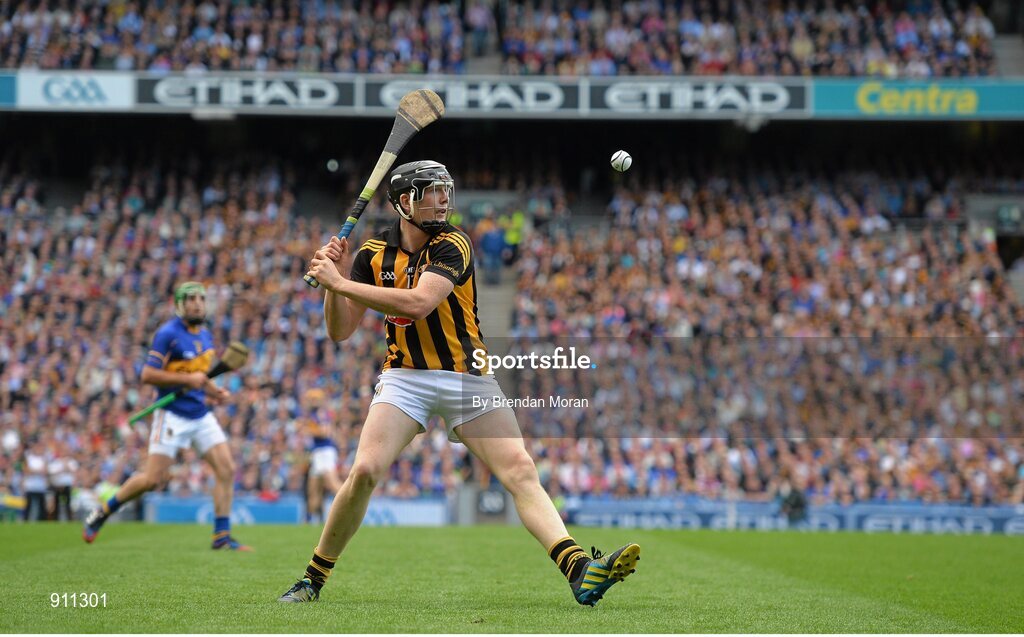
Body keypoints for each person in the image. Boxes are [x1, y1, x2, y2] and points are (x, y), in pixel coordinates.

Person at [280, 160, 639, 606]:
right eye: (432, 191)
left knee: (520, 470)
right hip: (405, 377)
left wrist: (341, 281)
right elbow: (339, 331)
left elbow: (417, 304)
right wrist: (336, 286)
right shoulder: (372, 255)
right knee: (365, 471)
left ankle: (579, 569)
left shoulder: (454, 244)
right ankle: (312, 579)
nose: (444, 198)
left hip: (468, 377)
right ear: (404, 201)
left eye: (446, 189)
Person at [82, 282, 250, 551]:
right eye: (190, 298)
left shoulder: (205, 336)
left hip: (200, 413)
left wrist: (214, 391)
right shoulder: (167, 334)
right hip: (171, 414)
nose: (196, 303)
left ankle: (221, 536)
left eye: (200, 298)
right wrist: (186, 378)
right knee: (151, 480)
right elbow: (147, 375)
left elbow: (201, 376)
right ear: (179, 304)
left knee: (226, 469)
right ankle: (102, 512)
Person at [302, 388, 343, 524]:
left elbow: (325, 432)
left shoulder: (321, 414)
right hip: (317, 453)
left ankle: (349, 510)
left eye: (313, 399)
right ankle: (308, 523)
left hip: (325, 451)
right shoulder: (314, 414)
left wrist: (308, 430)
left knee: (333, 484)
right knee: (313, 489)